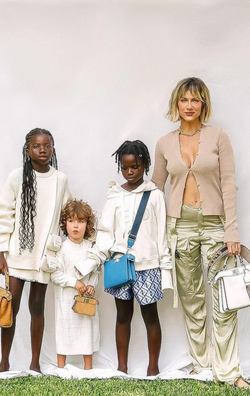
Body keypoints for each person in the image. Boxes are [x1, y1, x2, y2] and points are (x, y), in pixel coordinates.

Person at [151, 77, 247, 388]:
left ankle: (229, 371)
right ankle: (202, 364)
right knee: (191, 299)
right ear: (176, 104)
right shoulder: (165, 143)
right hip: (180, 226)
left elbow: (229, 186)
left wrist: (231, 230)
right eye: (184, 100)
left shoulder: (219, 137)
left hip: (216, 225)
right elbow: (155, 189)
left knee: (224, 298)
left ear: (203, 104)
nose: (189, 106)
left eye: (195, 100)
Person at [76, 140, 170, 376]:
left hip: (148, 266)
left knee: (150, 316)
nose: (130, 172)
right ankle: (122, 367)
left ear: (145, 165)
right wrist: (92, 260)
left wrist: (165, 269)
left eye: (135, 167)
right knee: (122, 317)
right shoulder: (115, 197)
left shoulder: (155, 196)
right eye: (125, 167)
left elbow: (162, 235)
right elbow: (106, 235)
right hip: (119, 266)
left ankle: (153, 367)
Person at [0, 127, 71, 372]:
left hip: (43, 257)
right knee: (11, 308)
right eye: (37, 146)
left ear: (52, 149)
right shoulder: (17, 177)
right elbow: (4, 214)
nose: (42, 150)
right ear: (27, 150)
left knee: (37, 307)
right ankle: (4, 362)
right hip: (18, 255)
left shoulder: (60, 180)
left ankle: (35, 363)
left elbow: (68, 212)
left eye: (47, 145)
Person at [50, 200, 99, 371]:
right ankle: (61, 367)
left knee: (86, 329)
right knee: (64, 330)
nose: (75, 226)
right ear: (65, 223)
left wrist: (91, 286)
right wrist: (73, 282)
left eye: (80, 221)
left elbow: (95, 272)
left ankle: (88, 368)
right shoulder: (61, 249)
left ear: (88, 224)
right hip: (65, 300)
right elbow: (55, 274)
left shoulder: (91, 248)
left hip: (85, 299)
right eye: (71, 221)